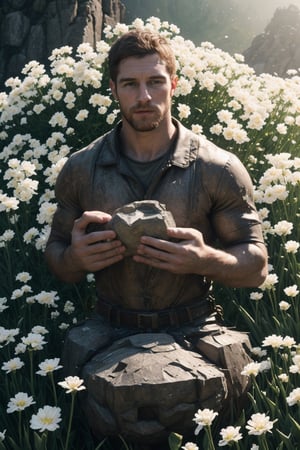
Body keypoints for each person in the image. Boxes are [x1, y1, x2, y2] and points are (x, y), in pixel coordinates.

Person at [45, 29, 268, 447]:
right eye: (130, 84)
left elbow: (256, 265)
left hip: (194, 326)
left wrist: (206, 260)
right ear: (113, 89)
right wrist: (75, 259)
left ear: (174, 84)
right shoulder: (80, 169)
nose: (143, 96)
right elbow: (56, 256)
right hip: (109, 326)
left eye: (155, 82)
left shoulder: (218, 168)